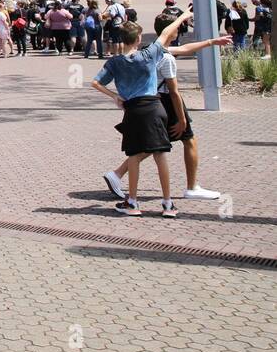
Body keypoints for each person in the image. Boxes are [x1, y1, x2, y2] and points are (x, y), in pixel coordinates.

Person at [91, 12, 230, 217]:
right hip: (155, 107)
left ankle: (132, 202)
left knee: (134, 156)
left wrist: (115, 96)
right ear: (139, 39)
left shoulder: (115, 62)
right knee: (161, 155)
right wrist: (184, 16)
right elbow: (168, 36)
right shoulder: (150, 54)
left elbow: (95, 83)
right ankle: (167, 204)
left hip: (132, 110)